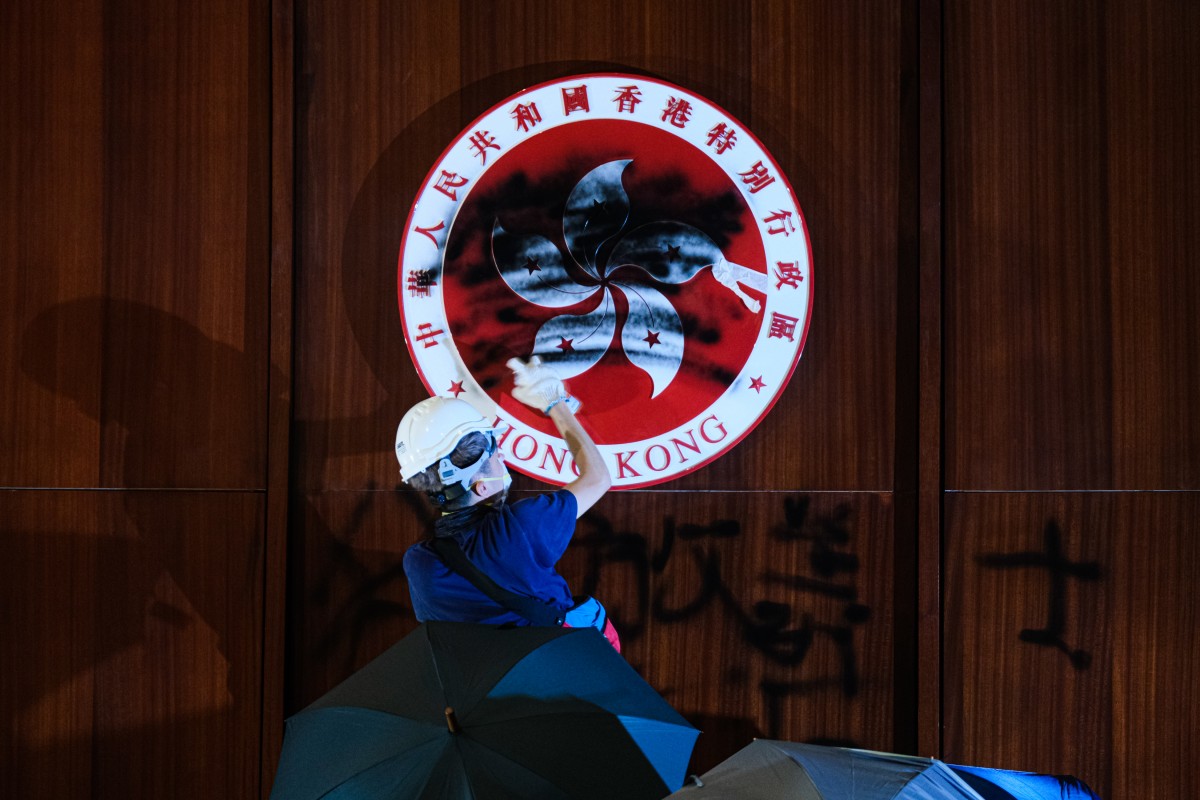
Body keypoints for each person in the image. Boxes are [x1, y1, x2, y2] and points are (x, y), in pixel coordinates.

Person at [395, 356, 619, 650]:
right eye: (494, 453)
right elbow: (598, 478)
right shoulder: (520, 529)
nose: (502, 458)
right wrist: (554, 402)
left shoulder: (419, 563)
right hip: (563, 671)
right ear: (481, 484)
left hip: (497, 690)